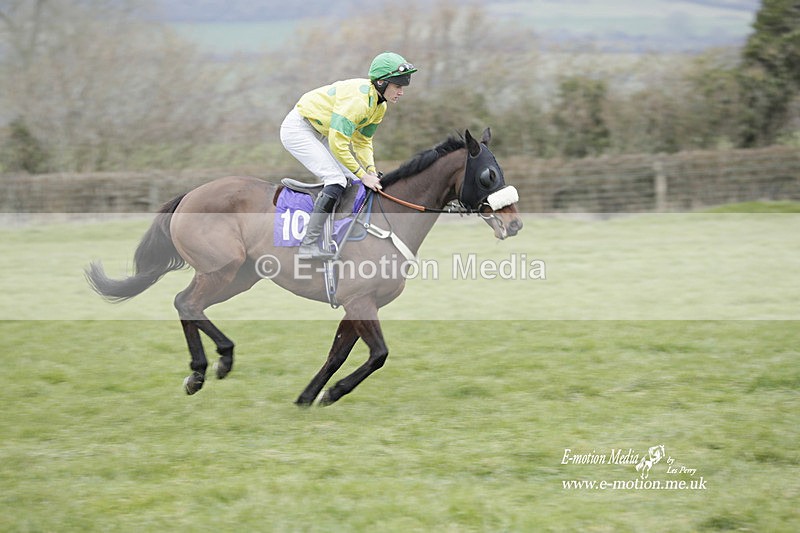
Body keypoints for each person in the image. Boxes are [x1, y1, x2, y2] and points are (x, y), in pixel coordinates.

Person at [280, 51, 417, 260]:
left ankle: (339, 234)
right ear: (381, 83)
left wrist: (370, 171)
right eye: (398, 86)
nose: (401, 92)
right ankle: (308, 244)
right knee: (335, 179)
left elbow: (362, 142)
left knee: (355, 181)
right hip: (299, 129)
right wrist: (363, 175)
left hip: (323, 132)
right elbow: (339, 144)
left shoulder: (379, 107)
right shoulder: (359, 103)